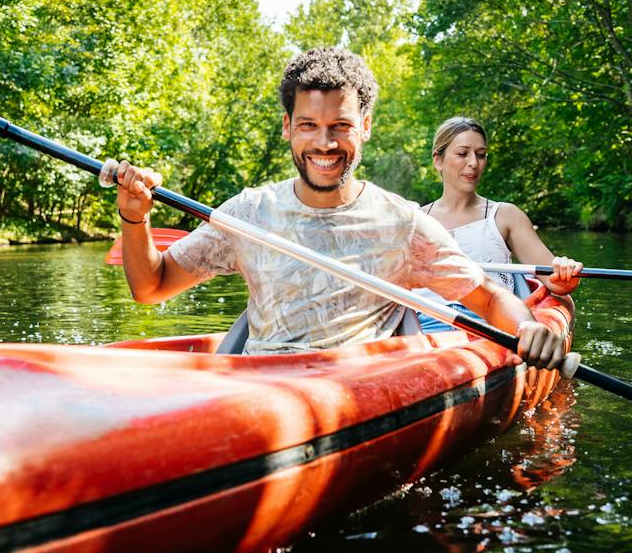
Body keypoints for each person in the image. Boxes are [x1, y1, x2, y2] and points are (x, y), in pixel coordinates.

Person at [110, 48, 568, 368]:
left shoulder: (402, 224)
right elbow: (151, 286)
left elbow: (487, 295)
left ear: (365, 127)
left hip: (349, 395)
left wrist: (529, 328)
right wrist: (136, 217)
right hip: (256, 389)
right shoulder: (248, 214)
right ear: (288, 127)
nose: (324, 143)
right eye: (308, 125)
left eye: (341, 126)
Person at [423, 116, 583, 295]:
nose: (474, 163)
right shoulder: (413, 221)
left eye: (481, 155)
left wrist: (566, 272)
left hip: (487, 320)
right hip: (423, 320)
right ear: (438, 160)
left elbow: (556, 283)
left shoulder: (506, 216)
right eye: (462, 154)